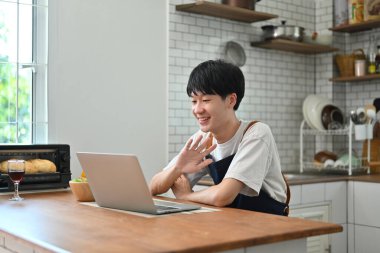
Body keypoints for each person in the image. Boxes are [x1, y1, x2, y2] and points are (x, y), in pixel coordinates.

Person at [149, 59, 290, 216]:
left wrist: (186, 196)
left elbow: (223, 196)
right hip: (232, 219)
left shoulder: (256, 134)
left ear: (231, 100)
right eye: (194, 101)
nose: (197, 109)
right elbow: (153, 187)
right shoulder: (204, 138)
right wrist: (177, 169)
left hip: (268, 221)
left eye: (206, 100)